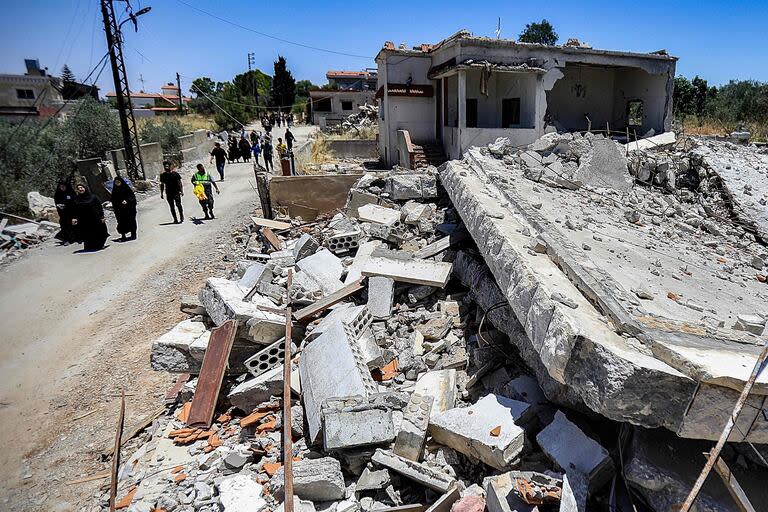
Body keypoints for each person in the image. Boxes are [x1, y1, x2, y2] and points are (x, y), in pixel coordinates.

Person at [71, 183, 109, 251]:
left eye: (81, 188)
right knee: (87, 232)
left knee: (99, 231)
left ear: (85, 188)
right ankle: (90, 245)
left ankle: (100, 245)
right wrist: (74, 218)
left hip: (95, 218)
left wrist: (102, 217)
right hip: (84, 220)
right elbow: (74, 209)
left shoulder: (93, 197)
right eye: (78, 189)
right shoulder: (76, 199)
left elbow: (99, 207)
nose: (80, 189)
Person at [110, 175, 137, 241]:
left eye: (118, 182)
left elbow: (132, 198)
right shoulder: (114, 191)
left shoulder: (127, 189)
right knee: (121, 222)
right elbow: (113, 200)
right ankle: (123, 235)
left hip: (129, 209)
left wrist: (127, 201)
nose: (117, 183)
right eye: (116, 182)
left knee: (131, 221)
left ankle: (133, 235)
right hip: (120, 210)